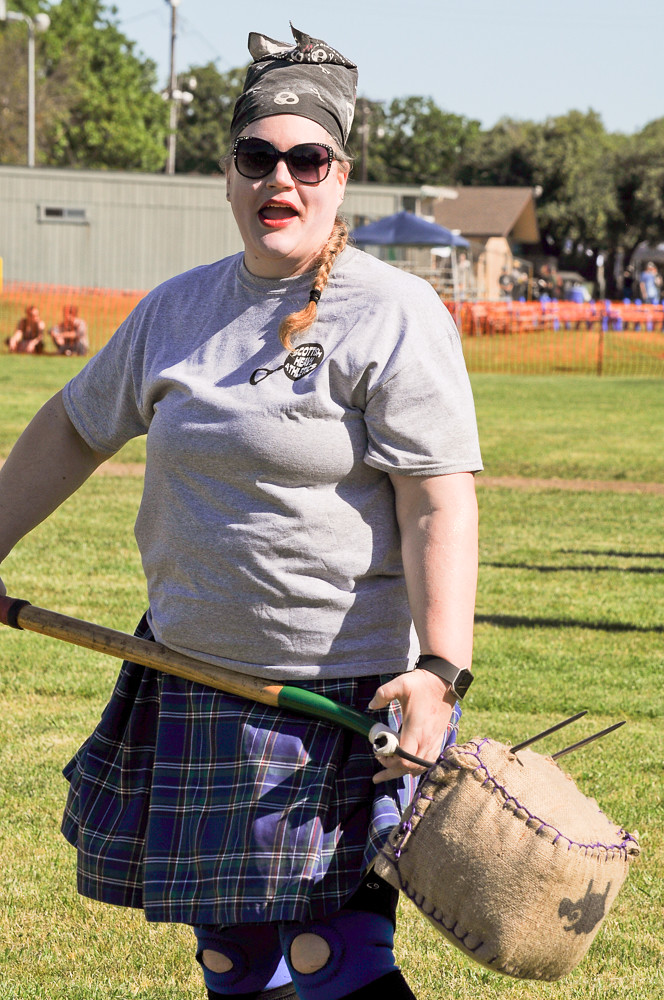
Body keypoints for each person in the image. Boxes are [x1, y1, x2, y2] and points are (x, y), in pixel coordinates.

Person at [0, 25, 482, 1000]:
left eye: (307, 159)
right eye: (258, 157)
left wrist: (437, 669)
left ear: (339, 174)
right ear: (228, 175)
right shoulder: (174, 310)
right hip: (191, 672)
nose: (282, 180)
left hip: (336, 696)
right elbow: (72, 429)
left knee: (331, 955)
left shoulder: (391, 314)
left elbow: (439, 501)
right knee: (234, 959)